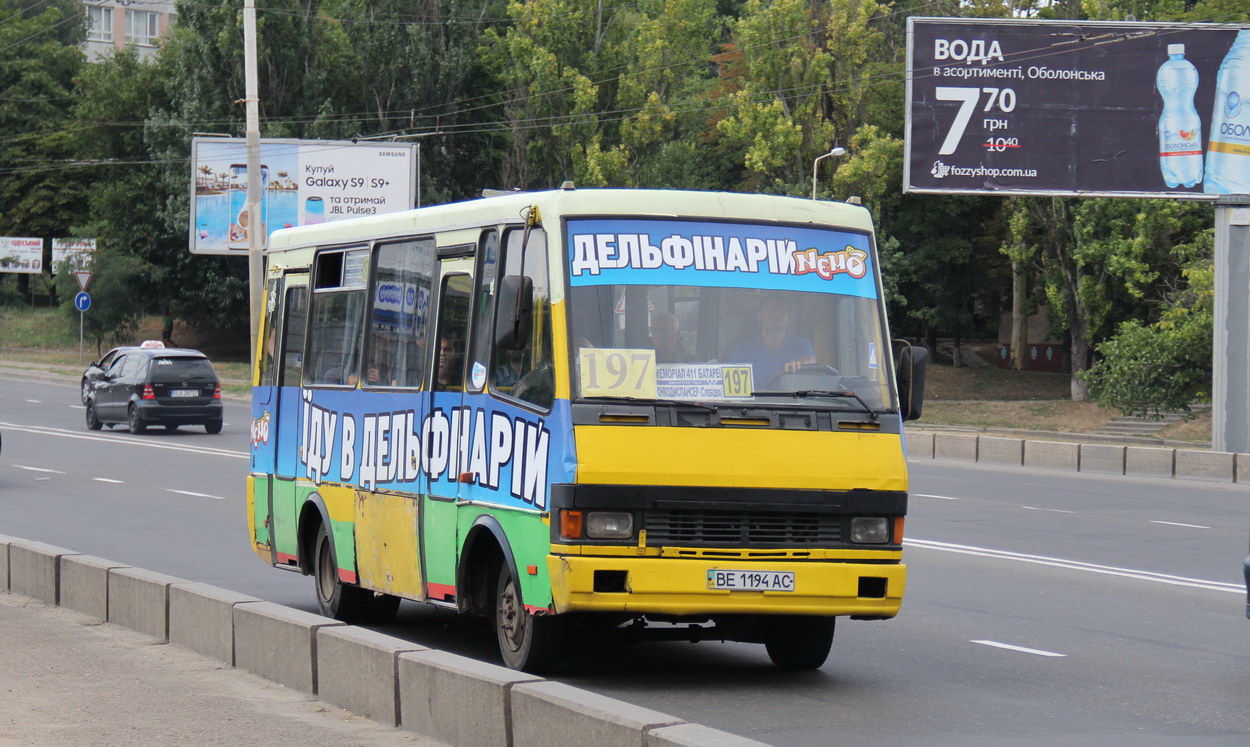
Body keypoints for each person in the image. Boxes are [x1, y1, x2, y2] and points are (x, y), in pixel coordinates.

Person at [730, 299, 815, 384]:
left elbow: (809, 361)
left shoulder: (801, 345)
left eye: (782, 312)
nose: (776, 316)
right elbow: (734, 383)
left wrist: (803, 364)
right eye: (770, 312)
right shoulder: (744, 350)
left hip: (790, 397)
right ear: (759, 316)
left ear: (788, 318)